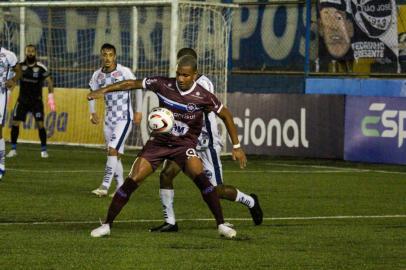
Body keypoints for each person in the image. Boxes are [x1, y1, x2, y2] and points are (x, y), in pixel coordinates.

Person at [88, 55, 246, 239]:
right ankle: (107, 225)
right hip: (159, 142)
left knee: (202, 180)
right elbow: (130, 83)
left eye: (185, 75)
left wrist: (236, 146)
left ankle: (221, 225)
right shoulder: (163, 84)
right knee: (133, 179)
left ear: (194, 75)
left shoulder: (203, 96)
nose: (180, 79)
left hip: (184, 145)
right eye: (178, 74)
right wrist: (103, 90)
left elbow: (226, 115)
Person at [150, 48, 263, 233]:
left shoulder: (204, 85)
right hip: (185, 143)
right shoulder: (175, 84)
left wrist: (236, 146)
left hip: (205, 143)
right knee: (166, 175)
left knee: (215, 191)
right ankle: (170, 222)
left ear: (194, 69)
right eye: (179, 70)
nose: (180, 76)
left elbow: (214, 112)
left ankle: (250, 201)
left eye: (185, 71)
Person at [88, 43, 142, 197]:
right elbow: (92, 93)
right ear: (101, 56)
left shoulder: (124, 72)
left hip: (124, 118)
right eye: (104, 54)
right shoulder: (97, 75)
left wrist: (138, 111)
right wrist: (92, 113)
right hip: (108, 119)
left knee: (112, 149)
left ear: (115, 56)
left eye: (110, 54)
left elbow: (137, 87)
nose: (107, 58)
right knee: (114, 154)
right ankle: (120, 187)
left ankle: (104, 187)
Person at [6, 45, 55, 159]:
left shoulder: (41, 67)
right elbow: (12, 80)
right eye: (28, 51)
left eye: (32, 51)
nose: (30, 53)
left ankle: (43, 150)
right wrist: (8, 94)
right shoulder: (20, 67)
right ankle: (13, 149)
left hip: (36, 102)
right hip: (22, 101)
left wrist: (51, 98)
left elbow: (49, 82)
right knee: (15, 123)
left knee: (40, 125)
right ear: (25, 52)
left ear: (35, 53)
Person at [0, 45, 21, 179]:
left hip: (1, 94)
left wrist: (13, 80)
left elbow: (18, 71)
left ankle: (1, 165)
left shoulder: (8, 55)